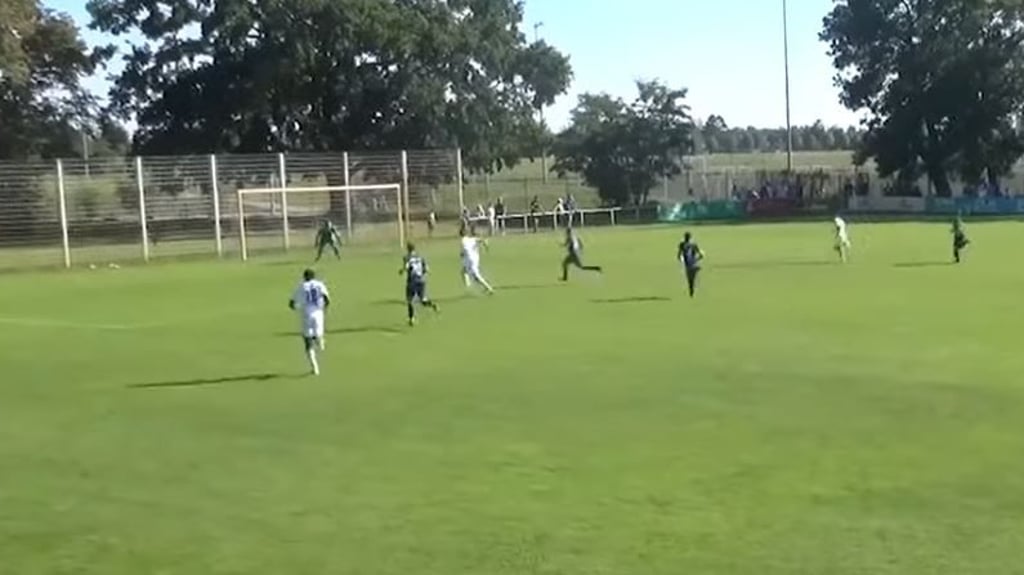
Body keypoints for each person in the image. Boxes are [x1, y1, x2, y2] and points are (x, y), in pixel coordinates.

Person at [288, 268, 330, 376]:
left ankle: (315, 368)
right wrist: (324, 308)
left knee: (307, 342)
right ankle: (320, 340)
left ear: (304, 277)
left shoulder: (301, 286)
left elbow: (291, 303)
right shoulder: (320, 284)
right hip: (318, 313)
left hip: (306, 314)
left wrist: (297, 307)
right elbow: (326, 299)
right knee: (318, 334)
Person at [399, 243, 439, 326]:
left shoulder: (407, 258)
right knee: (423, 300)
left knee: (410, 300)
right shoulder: (420, 257)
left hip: (412, 281)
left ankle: (411, 318)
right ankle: (433, 305)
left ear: (408, 249)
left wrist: (401, 271)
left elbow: (406, 267)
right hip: (421, 281)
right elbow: (427, 269)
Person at [677, 232, 705, 298]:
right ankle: (692, 289)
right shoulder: (693, 244)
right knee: (692, 278)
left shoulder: (682, 244)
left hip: (688, 265)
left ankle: (692, 289)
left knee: (690, 279)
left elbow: (679, 255)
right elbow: (701, 254)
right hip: (693, 264)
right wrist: (697, 259)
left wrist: (682, 260)